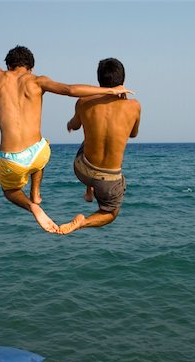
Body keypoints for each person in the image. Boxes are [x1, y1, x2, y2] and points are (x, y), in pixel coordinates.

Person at [0, 11, 131, 233]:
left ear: (8, 66)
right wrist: (111, 90)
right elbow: (70, 90)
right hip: (38, 153)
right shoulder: (37, 81)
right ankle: (36, 191)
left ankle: (32, 205)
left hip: (12, 160)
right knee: (43, 148)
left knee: (9, 192)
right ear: (31, 67)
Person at [59, 58, 141, 235]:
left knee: (90, 138)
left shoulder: (83, 101)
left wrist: (69, 125)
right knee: (111, 213)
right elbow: (133, 134)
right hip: (108, 181)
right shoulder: (134, 107)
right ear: (123, 82)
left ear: (98, 81)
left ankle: (89, 190)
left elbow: (74, 124)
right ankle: (82, 222)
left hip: (82, 170)